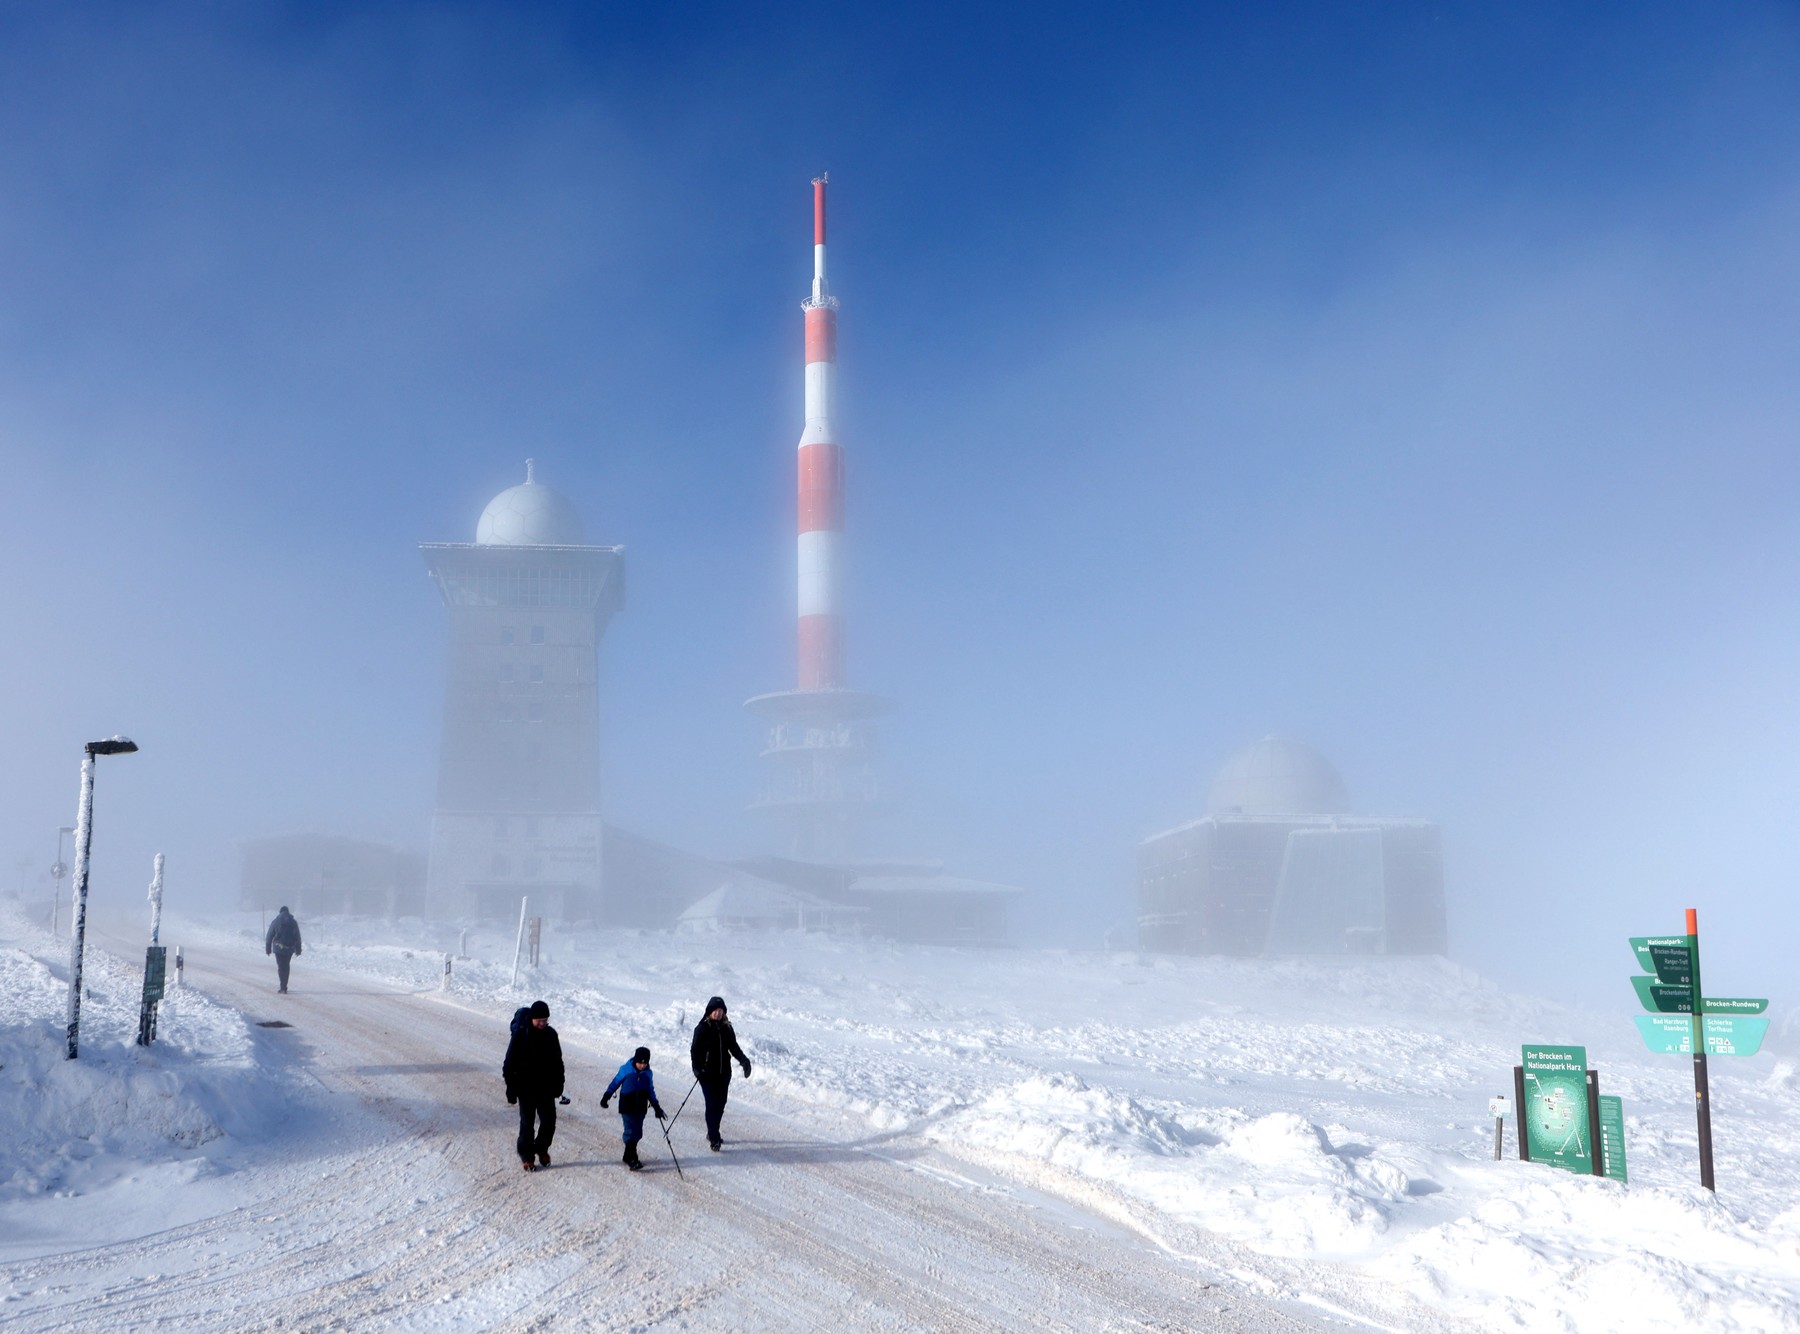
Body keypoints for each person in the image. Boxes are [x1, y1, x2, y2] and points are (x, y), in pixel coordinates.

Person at [503, 1000, 565, 1171]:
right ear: (531, 1018)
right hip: (526, 1088)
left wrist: (559, 1084)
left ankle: (542, 1148)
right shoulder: (521, 1035)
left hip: (546, 1088)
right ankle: (527, 1155)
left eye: (545, 1020)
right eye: (539, 1020)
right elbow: (509, 1064)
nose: (542, 1023)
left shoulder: (551, 1035)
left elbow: (557, 1063)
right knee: (527, 1123)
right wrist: (511, 1088)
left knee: (549, 1122)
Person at [690, 995, 751, 1151]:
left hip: (724, 1072)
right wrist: (697, 1069)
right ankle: (714, 1136)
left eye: (720, 1011)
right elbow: (695, 1051)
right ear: (709, 1011)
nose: (718, 1013)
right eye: (715, 1010)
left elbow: (734, 1047)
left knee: (720, 1104)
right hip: (707, 1074)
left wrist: (744, 1061)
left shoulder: (727, 1027)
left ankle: (712, 1131)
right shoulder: (702, 1028)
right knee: (712, 1104)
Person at [600, 1046, 666, 1171]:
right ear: (635, 1060)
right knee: (630, 1130)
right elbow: (615, 1082)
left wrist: (656, 1106)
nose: (642, 1065)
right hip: (627, 1105)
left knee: (638, 1132)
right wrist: (606, 1096)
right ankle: (632, 1157)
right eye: (640, 1063)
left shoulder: (648, 1074)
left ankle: (627, 1155)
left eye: (645, 1063)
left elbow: (650, 1090)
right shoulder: (626, 1070)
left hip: (641, 1106)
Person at [264, 906, 302, 994]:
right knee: (286, 966)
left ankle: (283, 987)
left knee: (281, 967)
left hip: (278, 948)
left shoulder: (276, 921)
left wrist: (268, 948)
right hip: (289, 948)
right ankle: (284, 985)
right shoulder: (293, 922)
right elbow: (297, 936)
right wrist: (298, 949)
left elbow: (270, 935)